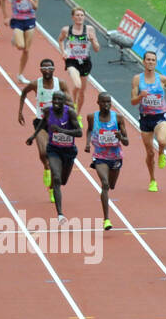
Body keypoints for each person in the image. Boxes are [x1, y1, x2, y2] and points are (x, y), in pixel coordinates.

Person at [19, 59, 72, 198]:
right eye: (44, 68)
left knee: (58, 160)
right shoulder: (36, 84)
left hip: (57, 125)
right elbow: (24, 93)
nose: (47, 70)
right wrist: (20, 112)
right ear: (41, 70)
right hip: (41, 122)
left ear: (54, 69)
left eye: (50, 68)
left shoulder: (60, 84)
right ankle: (46, 168)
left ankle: (52, 189)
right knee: (43, 153)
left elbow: (70, 101)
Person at [130, 50, 166, 192]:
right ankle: (152, 179)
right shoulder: (137, 79)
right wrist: (140, 97)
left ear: (156, 63)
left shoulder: (162, 79)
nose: (150, 62)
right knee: (150, 153)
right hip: (145, 119)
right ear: (144, 62)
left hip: (160, 116)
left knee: (162, 141)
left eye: (153, 60)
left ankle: (162, 153)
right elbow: (133, 101)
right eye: (148, 59)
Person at [84, 91, 127, 231]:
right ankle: (106, 219)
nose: (107, 104)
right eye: (104, 101)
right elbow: (89, 130)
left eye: (109, 102)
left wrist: (121, 136)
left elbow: (126, 142)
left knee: (112, 185)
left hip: (115, 157)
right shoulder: (92, 117)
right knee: (105, 183)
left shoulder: (119, 118)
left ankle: (108, 189)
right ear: (98, 102)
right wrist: (87, 143)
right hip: (100, 156)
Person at [40, 92, 82, 222]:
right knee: (57, 178)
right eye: (54, 99)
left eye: (59, 99)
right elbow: (41, 124)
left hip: (69, 151)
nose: (56, 101)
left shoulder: (70, 113)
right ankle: (60, 215)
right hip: (53, 149)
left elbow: (79, 132)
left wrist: (62, 131)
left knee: (63, 181)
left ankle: (56, 183)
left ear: (64, 102)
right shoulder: (48, 111)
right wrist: (33, 136)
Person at [57, 8, 100, 126]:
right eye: (77, 15)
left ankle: (77, 115)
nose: (80, 17)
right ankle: (73, 102)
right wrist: (63, 52)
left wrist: (93, 40)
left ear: (84, 17)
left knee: (82, 92)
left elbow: (97, 49)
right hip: (71, 61)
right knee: (77, 85)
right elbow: (60, 40)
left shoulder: (90, 29)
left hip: (85, 62)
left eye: (82, 15)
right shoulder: (67, 30)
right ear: (73, 17)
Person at [5, 0, 39, 84]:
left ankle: (20, 74)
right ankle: (15, 38)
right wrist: (5, 16)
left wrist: (31, 2)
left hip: (30, 19)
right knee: (20, 46)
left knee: (26, 50)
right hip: (17, 20)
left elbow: (36, 6)